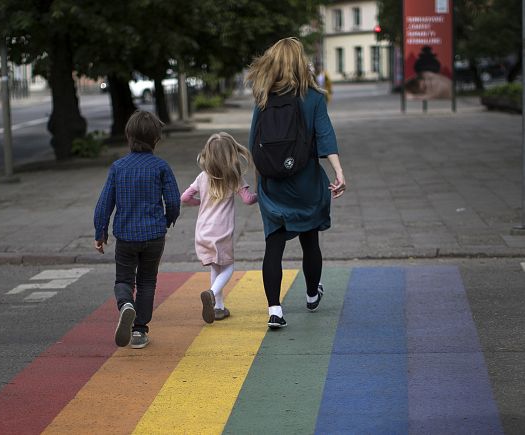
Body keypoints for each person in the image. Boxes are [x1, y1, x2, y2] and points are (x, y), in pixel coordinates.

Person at [245, 37, 346, 330]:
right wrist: (338, 172)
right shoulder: (314, 98)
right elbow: (325, 136)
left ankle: (275, 310)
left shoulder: (262, 97)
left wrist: (263, 180)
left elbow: (254, 143)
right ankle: (312, 294)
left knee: (273, 246)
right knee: (310, 241)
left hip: (273, 184)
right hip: (305, 183)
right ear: (301, 64)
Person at [93, 110, 181, 349]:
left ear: (128, 137)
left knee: (123, 278)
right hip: (154, 235)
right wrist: (167, 220)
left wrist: (100, 232)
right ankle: (140, 331)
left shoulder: (118, 167)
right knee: (146, 282)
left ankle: (125, 305)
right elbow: (173, 201)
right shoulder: (161, 167)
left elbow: (104, 203)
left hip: (126, 236)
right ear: (156, 139)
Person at [181, 132, 257, 323]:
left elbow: (184, 198)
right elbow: (248, 200)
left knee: (216, 266)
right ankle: (212, 294)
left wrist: (201, 203)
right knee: (229, 266)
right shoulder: (233, 177)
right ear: (231, 154)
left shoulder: (202, 176)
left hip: (203, 231)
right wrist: (261, 195)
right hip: (221, 232)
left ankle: (218, 307)